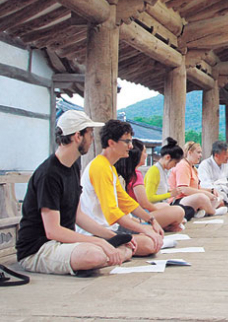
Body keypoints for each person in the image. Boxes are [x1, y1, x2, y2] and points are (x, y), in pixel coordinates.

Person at [16, 111, 131, 275]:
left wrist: (112, 236)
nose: (92, 140)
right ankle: (112, 256)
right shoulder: (49, 173)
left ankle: (115, 254)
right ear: (78, 136)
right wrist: (101, 243)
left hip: (63, 244)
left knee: (122, 245)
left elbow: (78, 215)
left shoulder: (73, 167)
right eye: (90, 135)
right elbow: (52, 231)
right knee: (94, 254)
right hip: (39, 249)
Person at [78, 119, 163, 257]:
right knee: (149, 243)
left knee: (153, 237)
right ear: (111, 143)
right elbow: (112, 213)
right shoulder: (99, 167)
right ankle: (117, 251)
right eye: (127, 142)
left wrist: (151, 220)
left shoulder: (109, 167)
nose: (130, 146)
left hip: (111, 227)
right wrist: (144, 228)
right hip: (98, 231)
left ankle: (122, 250)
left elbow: (125, 201)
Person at [115, 139, 185, 232]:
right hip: (137, 214)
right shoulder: (142, 173)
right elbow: (146, 201)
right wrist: (169, 197)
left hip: (135, 212)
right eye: (144, 152)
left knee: (167, 208)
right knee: (178, 211)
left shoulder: (131, 172)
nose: (146, 155)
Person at [168, 141, 228, 217]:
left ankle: (202, 211)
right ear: (190, 152)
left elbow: (198, 188)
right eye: (198, 152)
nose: (200, 155)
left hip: (189, 198)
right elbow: (183, 189)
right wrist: (206, 194)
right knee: (201, 197)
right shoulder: (183, 165)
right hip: (178, 200)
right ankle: (212, 212)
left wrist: (211, 191)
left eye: (201, 153)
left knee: (219, 196)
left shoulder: (193, 168)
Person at [144, 137, 193, 219]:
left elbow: (160, 190)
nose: (175, 165)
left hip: (163, 204)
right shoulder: (154, 170)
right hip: (154, 207)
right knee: (180, 211)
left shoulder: (162, 170)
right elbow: (149, 198)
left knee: (189, 210)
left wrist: (172, 191)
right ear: (167, 158)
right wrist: (170, 194)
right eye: (175, 162)